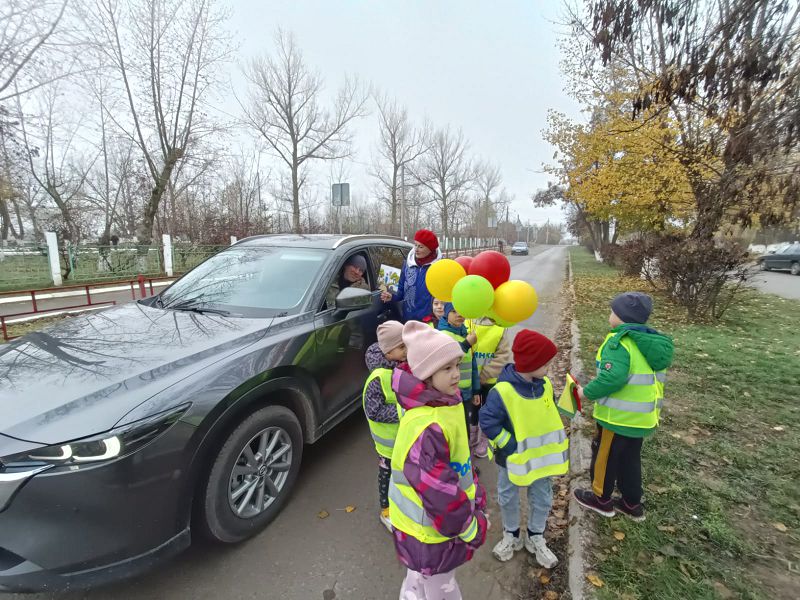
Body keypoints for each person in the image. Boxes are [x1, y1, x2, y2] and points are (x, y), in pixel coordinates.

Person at [389, 321, 488, 599]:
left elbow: (458, 461)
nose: (456, 374)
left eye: (457, 365)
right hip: (429, 531)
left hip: (428, 527)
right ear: (426, 374)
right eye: (446, 368)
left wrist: (476, 496)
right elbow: (438, 490)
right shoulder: (429, 423)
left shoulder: (445, 401)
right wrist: (471, 526)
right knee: (441, 587)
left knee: (421, 576)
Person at [573, 292, 674, 522]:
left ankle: (601, 499)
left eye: (612, 311)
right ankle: (632, 503)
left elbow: (612, 378)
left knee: (605, 457)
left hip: (617, 418)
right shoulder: (651, 343)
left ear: (621, 317)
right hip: (642, 418)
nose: (610, 315)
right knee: (630, 460)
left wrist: (585, 392)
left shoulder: (619, 343)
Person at [478, 329, 567, 567]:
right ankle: (512, 534)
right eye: (545, 363)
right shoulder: (502, 392)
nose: (548, 367)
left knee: (542, 497)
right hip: (512, 459)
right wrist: (510, 444)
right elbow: (488, 421)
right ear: (530, 363)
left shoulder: (545, 385)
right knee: (508, 496)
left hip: (540, 459)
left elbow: (548, 414)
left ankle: (535, 536)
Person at [362, 321, 407, 532]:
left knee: (403, 473)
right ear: (388, 352)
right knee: (386, 476)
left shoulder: (400, 366)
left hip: (403, 438)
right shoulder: (378, 378)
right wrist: (402, 411)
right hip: (387, 445)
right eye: (402, 347)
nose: (406, 350)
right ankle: (386, 511)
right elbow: (374, 411)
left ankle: (403, 504)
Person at [465, 314, 511, 458]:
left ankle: (485, 438)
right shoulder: (467, 321)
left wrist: (483, 375)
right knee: (472, 409)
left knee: (488, 410)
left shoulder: (499, 328)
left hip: (489, 381)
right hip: (470, 380)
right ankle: (472, 436)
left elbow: (502, 356)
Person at [436, 303, 480, 440]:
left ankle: (466, 451)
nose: (459, 315)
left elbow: (472, 364)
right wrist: (466, 344)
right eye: (454, 311)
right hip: (450, 393)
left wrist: (476, 390)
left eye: (461, 311)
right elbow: (447, 357)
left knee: (465, 426)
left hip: (466, 392)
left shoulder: (465, 333)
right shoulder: (442, 335)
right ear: (446, 313)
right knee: (455, 429)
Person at [380, 229, 442, 322]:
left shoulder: (440, 267)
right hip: (408, 319)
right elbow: (401, 289)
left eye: (420, 247)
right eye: (415, 245)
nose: (416, 249)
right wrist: (391, 296)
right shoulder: (407, 264)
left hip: (430, 321)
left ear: (430, 249)